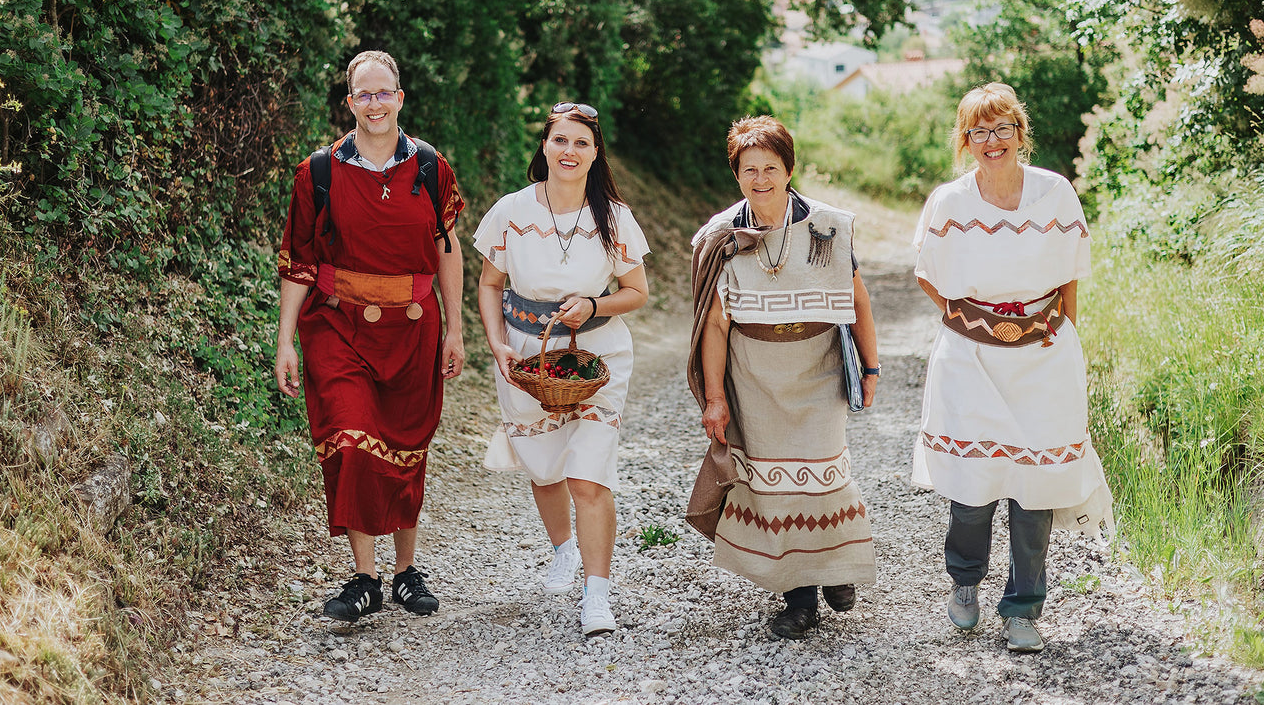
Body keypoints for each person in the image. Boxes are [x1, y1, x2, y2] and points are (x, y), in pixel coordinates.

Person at [912, 82, 1113, 653]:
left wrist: (1065, 340)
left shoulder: (1055, 193)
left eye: (1002, 128)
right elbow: (926, 270)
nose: (992, 140)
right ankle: (966, 580)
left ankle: (1023, 607)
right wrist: (971, 321)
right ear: (966, 140)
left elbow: (1070, 272)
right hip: (970, 358)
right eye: (979, 130)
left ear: (1019, 133)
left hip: (1044, 353)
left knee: (1036, 491)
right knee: (973, 491)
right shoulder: (949, 201)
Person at [274, 49, 466, 623]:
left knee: (407, 449)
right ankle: (366, 578)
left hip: (412, 328)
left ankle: (405, 572)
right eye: (364, 94)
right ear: (349, 102)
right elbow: (299, 264)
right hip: (337, 324)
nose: (375, 103)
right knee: (352, 440)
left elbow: (446, 251)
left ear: (400, 98)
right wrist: (285, 340)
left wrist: (456, 329)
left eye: (385, 93)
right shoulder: (319, 172)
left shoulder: (430, 167)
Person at [685, 115, 880, 640]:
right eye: (750, 169)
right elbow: (715, 326)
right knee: (773, 485)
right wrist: (714, 396)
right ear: (737, 174)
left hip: (819, 365)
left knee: (824, 473)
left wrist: (871, 364)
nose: (761, 178)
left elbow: (857, 297)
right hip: (755, 374)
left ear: (789, 170)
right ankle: (800, 599)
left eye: (771, 167)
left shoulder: (828, 226)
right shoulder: (720, 236)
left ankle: (834, 568)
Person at [473, 102, 651, 638]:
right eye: (560, 140)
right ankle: (564, 550)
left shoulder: (613, 218)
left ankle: (597, 596)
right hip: (528, 355)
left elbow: (637, 292)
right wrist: (498, 345)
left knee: (587, 477)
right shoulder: (511, 211)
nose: (569, 151)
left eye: (581, 143)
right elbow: (488, 284)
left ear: (595, 154)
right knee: (544, 468)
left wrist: (594, 305)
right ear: (544, 146)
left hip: (598, 358)